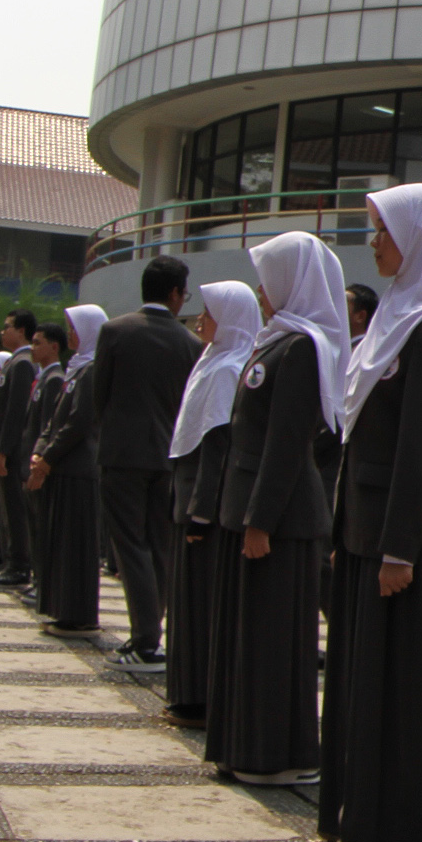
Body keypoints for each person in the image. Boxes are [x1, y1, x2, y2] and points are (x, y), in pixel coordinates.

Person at [319, 183, 422, 842]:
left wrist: (398, 549)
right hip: (367, 534)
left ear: (415, 235)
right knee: (365, 686)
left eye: (381, 230)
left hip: (402, 545)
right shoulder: (391, 315)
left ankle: (405, 824)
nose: (373, 242)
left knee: (403, 692)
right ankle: (363, 812)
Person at [210, 231, 348, 786]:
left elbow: (287, 443)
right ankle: (245, 745)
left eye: (269, 279)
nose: (261, 292)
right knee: (249, 637)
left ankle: (280, 754)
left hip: (280, 518)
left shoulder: (303, 348)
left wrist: (261, 520)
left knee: (274, 643)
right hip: (250, 508)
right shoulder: (276, 340)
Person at [90, 257, 205, 673]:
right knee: (159, 545)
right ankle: (154, 631)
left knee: (129, 545)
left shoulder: (115, 331)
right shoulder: (190, 343)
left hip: (122, 455)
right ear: (175, 293)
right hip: (169, 456)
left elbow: (98, 397)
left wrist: (113, 436)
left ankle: (145, 637)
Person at [164, 285, 257, 727]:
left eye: (210, 313)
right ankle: (187, 692)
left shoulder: (226, 369)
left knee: (199, 608)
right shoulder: (212, 361)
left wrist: (201, 513)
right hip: (189, 501)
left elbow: (215, 447)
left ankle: (199, 697)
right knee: (186, 604)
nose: (200, 320)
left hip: (204, 510)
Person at [28, 305, 110, 637]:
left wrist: (47, 458)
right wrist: (39, 451)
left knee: (76, 547)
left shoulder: (92, 370)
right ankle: (61, 608)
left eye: (75, 328)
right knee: (60, 543)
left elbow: (78, 423)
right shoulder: (75, 370)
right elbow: (54, 421)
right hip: (61, 467)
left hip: (77, 469)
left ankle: (78, 614)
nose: (71, 334)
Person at [14, 326, 67, 611]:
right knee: (34, 527)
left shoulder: (55, 380)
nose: (33, 348)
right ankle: (38, 579)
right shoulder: (43, 378)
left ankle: (43, 581)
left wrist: (39, 462)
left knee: (41, 528)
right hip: (28, 462)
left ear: (54, 347)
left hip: (39, 466)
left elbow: (48, 426)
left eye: (38, 343)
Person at [0, 312, 40, 590]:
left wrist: (4, 450)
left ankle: (19, 565)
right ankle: (13, 561)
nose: (2, 332)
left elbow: (15, 412)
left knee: (14, 509)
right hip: (2, 448)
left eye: (6, 327)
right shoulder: (14, 362)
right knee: (8, 508)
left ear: (20, 330)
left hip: (11, 451)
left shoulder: (21, 364)